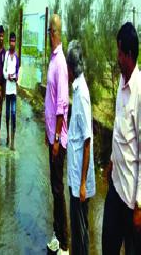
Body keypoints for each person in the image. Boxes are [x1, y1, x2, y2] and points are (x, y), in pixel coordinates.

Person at [102, 22, 141, 254]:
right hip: (116, 187)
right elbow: (118, 129)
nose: (116, 57)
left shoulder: (139, 92)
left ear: (128, 54)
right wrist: (111, 161)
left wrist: (139, 206)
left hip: (132, 200)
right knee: (108, 246)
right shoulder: (121, 82)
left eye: (118, 52)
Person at [66, 40, 95, 255]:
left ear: (70, 67)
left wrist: (83, 183)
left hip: (79, 181)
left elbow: (87, 140)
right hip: (75, 176)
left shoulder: (82, 94)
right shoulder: (76, 90)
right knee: (76, 231)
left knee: (82, 234)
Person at [45, 14, 69, 254]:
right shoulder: (53, 59)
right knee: (54, 188)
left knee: (59, 190)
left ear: (53, 32)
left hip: (58, 140)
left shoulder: (60, 62)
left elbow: (62, 104)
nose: (47, 34)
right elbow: (50, 101)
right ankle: (56, 233)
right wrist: (47, 131)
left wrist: (55, 140)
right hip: (51, 135)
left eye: (49, 30)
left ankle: (65, 243)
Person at [3, 32, 19, 150]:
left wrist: (17, 77)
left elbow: (19, 72)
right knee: (7, 114)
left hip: (14, 91)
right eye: (11, 41)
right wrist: (7, 76)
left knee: (13, 114)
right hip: (7, 89)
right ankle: (8, 136)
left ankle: (13, 140)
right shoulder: (7, 55)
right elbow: (4, 71)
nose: (12, 43)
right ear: (9, 41)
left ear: (15, 42)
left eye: (14, 41)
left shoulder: (17, 57)